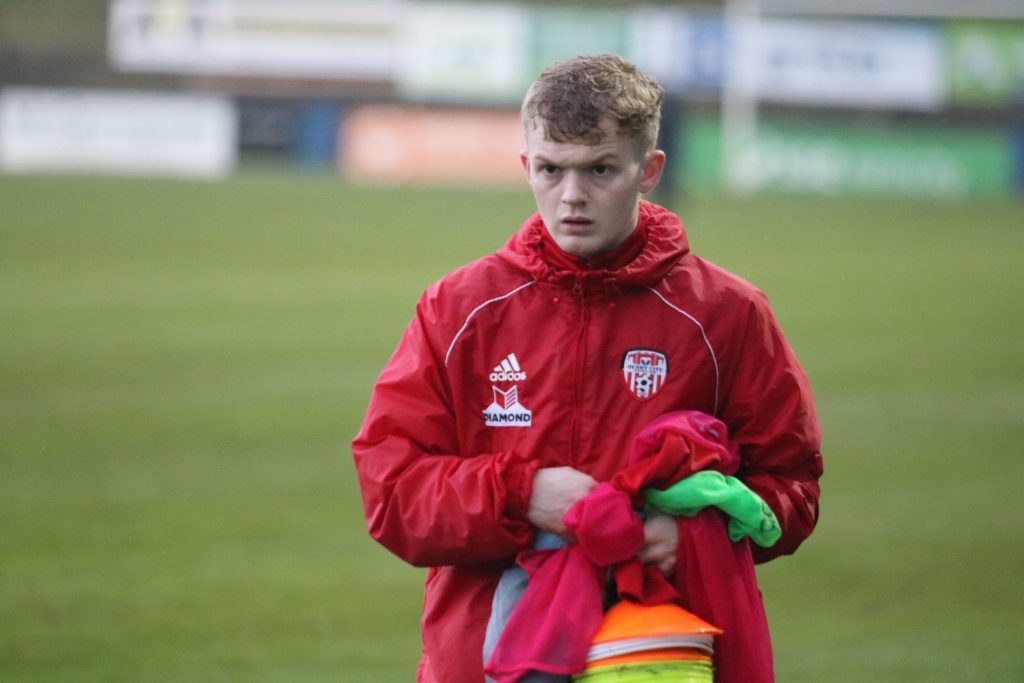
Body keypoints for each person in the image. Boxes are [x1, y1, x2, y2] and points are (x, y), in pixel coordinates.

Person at [352, 54, 822, 683]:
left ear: (649, 170)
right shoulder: (459, 309)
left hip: (654, 658)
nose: (572, 196)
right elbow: (392, 492)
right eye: (551, 169)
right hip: (481, 662)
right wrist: (522, 496)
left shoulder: (727, 314)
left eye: (600, 169)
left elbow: (792, 486)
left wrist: (695, 538)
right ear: (526, 166)